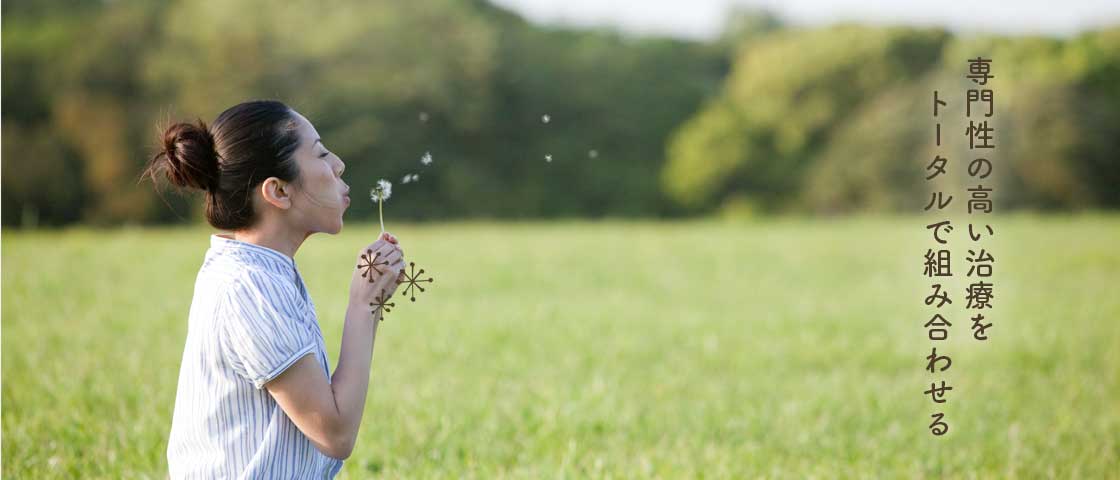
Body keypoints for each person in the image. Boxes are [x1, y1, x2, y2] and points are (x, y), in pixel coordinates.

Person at [145, 99, 402, 478]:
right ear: (278, 192)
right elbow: (335, 433)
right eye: (320, 153)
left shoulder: (263, 274)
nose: (338, 164)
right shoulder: (247, 290)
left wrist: (370, 300)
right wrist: (364, 304)